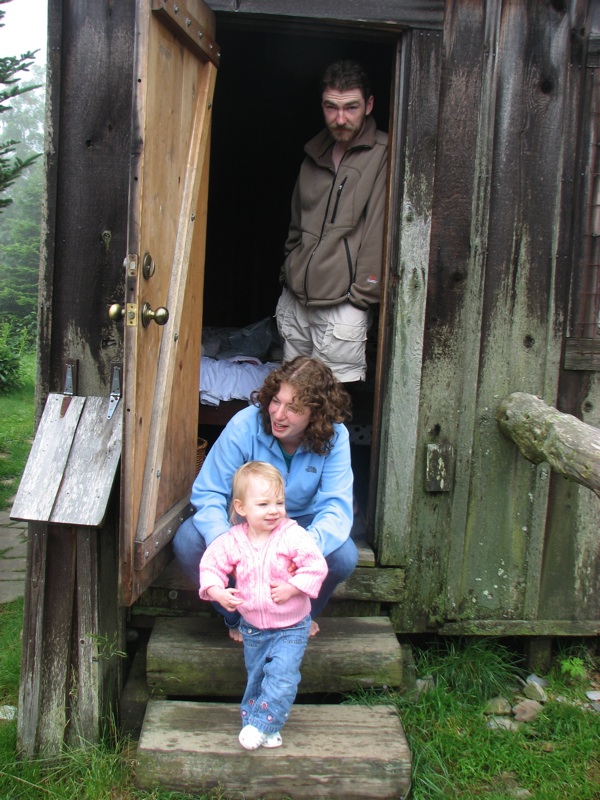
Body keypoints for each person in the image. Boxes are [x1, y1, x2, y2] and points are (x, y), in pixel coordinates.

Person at [172, 356, 357, 638]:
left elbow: (337, 507)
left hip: (299, 522)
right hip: (245, 520)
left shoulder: (335, 436)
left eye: (293, 408)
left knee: (344, 555)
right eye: (276, 401)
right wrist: (225, 542)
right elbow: (209, 491)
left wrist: (305, 546)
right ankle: (238, 618)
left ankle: (296, 618)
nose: (278, 414)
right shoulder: (244, 425)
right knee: (187, 540)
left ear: (316, 414)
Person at [199, 461, 328, 750]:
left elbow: (316, 566)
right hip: (253, 627)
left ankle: (260, 725)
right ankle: (261, 725)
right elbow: (211, 564)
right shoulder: (233, 539)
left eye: (279, 502)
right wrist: (218, 591)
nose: (274, 510)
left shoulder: (292, 534)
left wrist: (293, 587)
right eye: (264, 504)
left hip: (291, 625)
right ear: (241, 508)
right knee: (257, 677)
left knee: (282, 677)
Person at [276, 59, 388, 384]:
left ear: (368, 105)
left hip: (343, 303)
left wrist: (362, 297)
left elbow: (379, 230)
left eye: (350, 107)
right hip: (296, 299)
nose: (340, 119)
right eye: (331, 107)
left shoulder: (383, 153)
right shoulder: (314, 154)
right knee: (292, 399)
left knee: (330, 409)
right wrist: (289, 271)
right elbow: (297, 222)